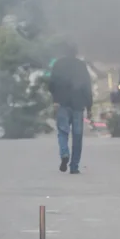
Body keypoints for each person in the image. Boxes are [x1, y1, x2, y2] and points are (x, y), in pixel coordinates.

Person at [49, 42, 93, 174]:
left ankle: (64, 154)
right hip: (78, 105)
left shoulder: (58, 64)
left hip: (62, 103)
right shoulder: (81, 66)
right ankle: (74, 166)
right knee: (77, 136)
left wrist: (55, 99)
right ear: (76, 53)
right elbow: (87, 86)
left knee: (63, 132)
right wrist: (89, 106)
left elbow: (51, 84)